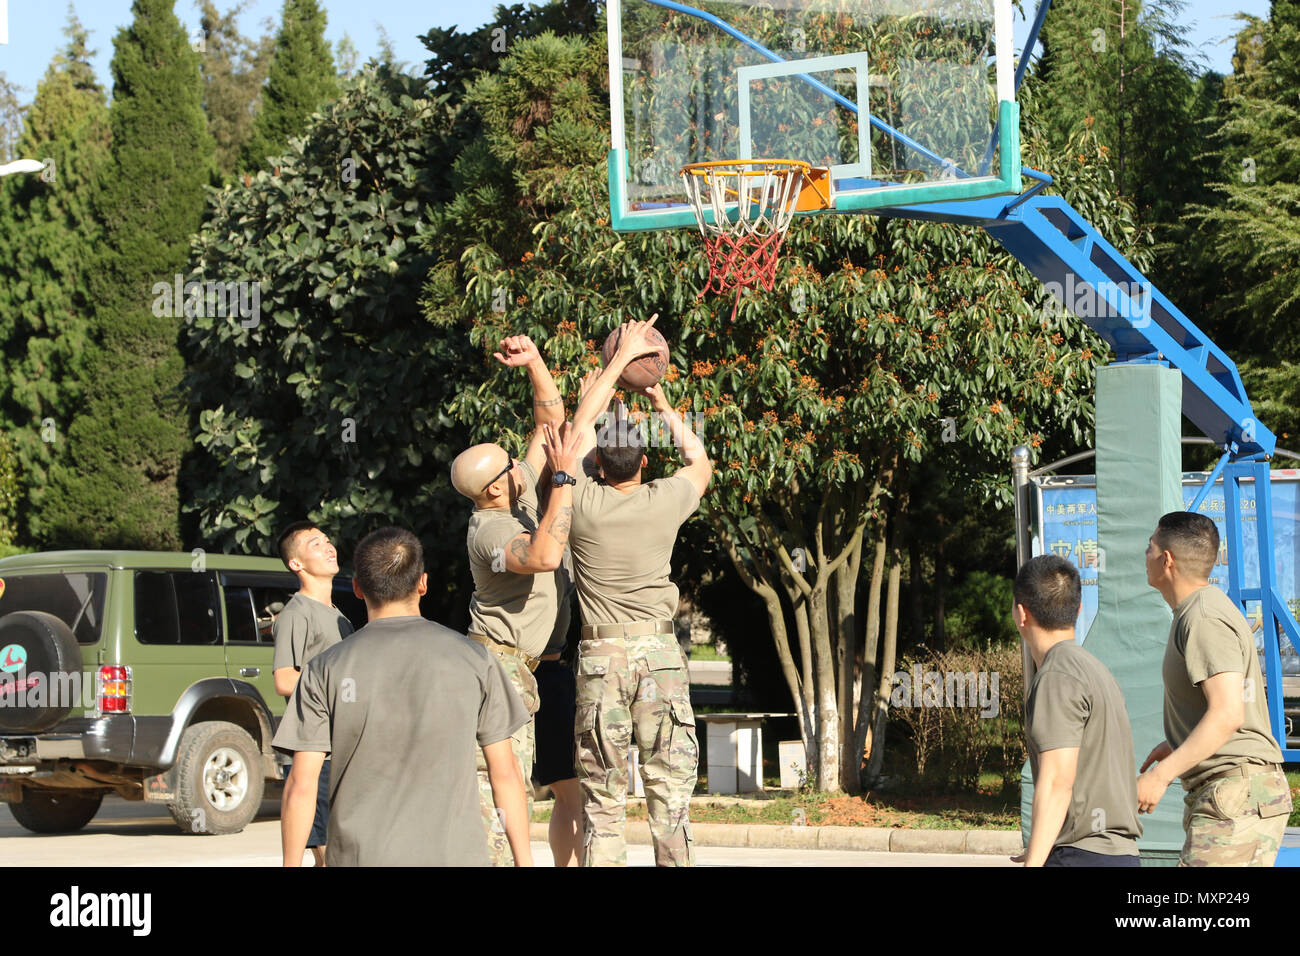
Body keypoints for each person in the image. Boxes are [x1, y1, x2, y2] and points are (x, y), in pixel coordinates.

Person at [273, 527, 533, 866]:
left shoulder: (324, 669)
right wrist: (525, 861)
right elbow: (506, 773)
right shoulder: (476, 660)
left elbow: (301, 785)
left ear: (357, 588)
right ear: (423, 583)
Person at [565, 314, 712, 867]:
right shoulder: (665, 500)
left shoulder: (580, 501)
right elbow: (698, 459)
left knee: (602, 803)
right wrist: (659, 401)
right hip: (660, 657)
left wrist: (613, 369)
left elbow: (575, 434)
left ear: (596, 464)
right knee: (669, 799)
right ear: (645, 462)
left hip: (600, 655)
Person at [450, 333, 579, 865]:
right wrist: (564, 481)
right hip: (499, 666)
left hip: (529, 665)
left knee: (519, 782)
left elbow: (549, 426)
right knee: (499, 788)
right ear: (497, 487)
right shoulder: (488, 530)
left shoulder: (513, 493)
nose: (520, 465)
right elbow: (543, 557)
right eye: (511, 464)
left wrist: (536, 364)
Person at [1138, 511, 1292, 866]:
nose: (1144, 556)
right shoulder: (1197, 611)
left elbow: (1227, 714)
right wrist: (1180, 740)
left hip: (1237, 792)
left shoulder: (1202, 617)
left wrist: (1161, 776)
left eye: (1149, 548)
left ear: (1167, 559)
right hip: (1232, 792)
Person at [1012, 554, 1142, 866]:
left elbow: (1057, 781)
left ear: (1021, 614)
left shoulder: (1058, 675)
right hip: (1119, 855)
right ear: (1078, 609)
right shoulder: (1095, 669)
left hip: (1080, 855)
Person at [271, 521, 355, 867]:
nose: (328, 546)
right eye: (315, 543)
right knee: (327, 854)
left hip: (341, 747)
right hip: (314, 752)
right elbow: (284, 680)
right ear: (296, 564)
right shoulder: (297, 612)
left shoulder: (338, 616)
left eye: (327, 539)